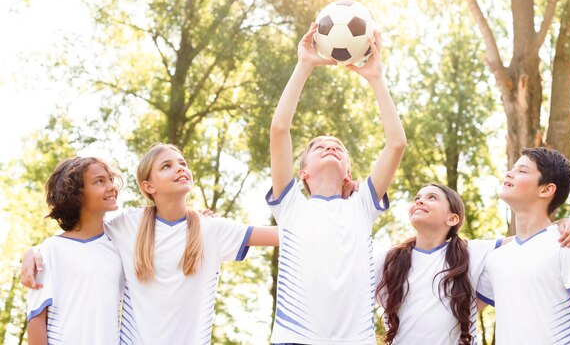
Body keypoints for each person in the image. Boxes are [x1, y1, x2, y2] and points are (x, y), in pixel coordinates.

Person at [23, 143, 278, 344]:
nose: (111, 186)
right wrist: (32, 251)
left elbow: (279, 236)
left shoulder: (207, 229)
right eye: (167, 165)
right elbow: (38, 315)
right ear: (148, 185)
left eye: (182, 163)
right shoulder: (119, 229)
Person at [266, 23, 407, 344]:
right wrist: (303, 65)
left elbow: (396, 144)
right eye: (318, 146)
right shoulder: (290, 206)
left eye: (338, 148)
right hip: (294, 339)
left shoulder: (362, 207)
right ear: (303, 173)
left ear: (348, 172)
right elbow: (279, 130)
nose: (330, 147)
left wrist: (376, 79)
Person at [375, 183, 570, 345]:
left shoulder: (472, 253)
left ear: (452, 219)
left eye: (431, 198)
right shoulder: (388, 260)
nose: (420, 201)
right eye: (417, 198)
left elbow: (531, 238)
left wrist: (562, 225)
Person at [477, 147, 570, 344]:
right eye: (512, 168)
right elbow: (462, 312)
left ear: (546, 189)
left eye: (522, 171)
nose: (509, 173)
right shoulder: (496, 258)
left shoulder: (569, 246)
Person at [26, 157, 124, 345]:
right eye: (100, 181)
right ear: (76, 193)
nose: (111, 186)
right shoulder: (50, 250)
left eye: (110, 179)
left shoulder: (119, 246)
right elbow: (36, 318)